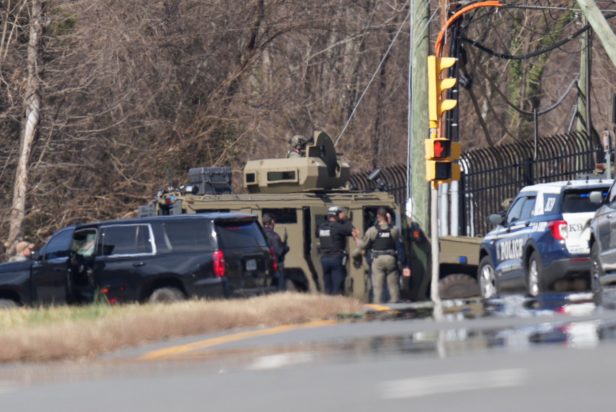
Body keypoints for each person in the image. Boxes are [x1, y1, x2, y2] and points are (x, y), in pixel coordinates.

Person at [354, 207, 407, 304]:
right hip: (391, 259)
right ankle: (394, 302)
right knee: (393, 284)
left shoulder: (372, 230)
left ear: (378, 216)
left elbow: (363, 245)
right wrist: (389, 222)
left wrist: (356, 239)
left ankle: (377, 303)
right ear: (386, 216)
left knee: (377, 285)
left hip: (378, 260)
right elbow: (398, 241)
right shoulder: (394, 230)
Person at [318, 205, 358, 295]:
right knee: (337, 284)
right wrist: (345, 219)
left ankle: (328, 300)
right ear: (337, 215)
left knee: (328, 286)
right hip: (336, 258)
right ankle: (336, 300)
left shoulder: (322, 227)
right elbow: (353, 231)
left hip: (324, 259)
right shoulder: (337, 227)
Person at [262, 213, 289, 290]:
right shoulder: (274, 236)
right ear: (272, 222)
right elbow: (279, 252)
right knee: (280, 288)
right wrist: (286, 248)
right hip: (275, 267)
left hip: (263, 267)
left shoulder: (259, 234)